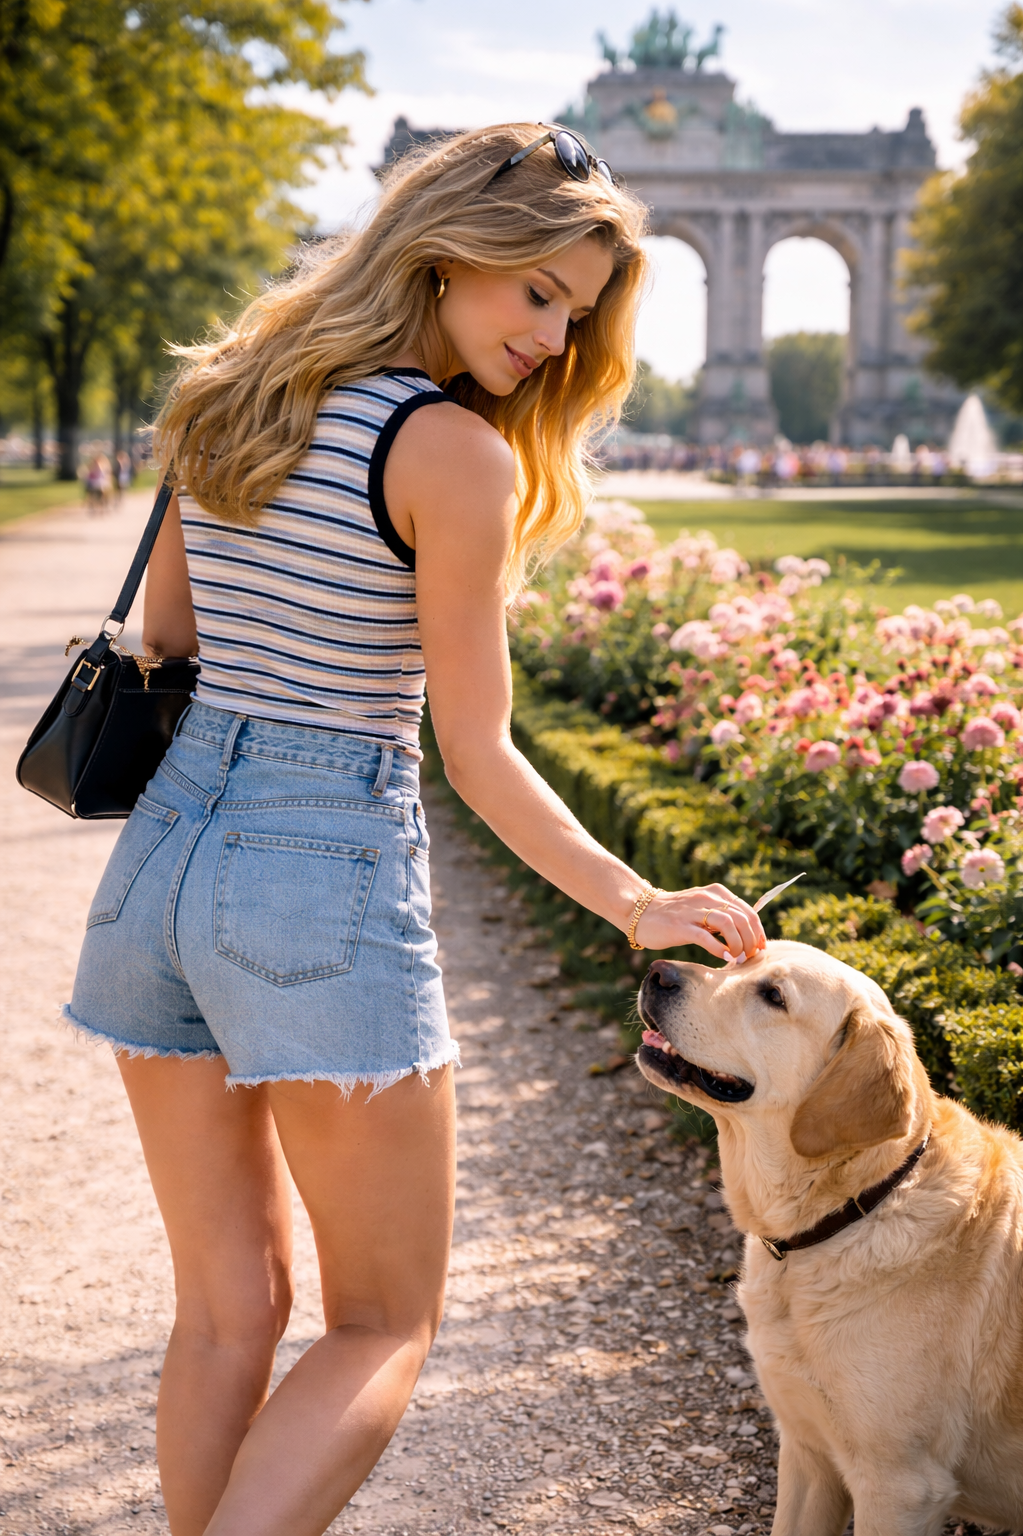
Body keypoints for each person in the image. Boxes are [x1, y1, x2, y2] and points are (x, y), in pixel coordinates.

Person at [63, 123, 767, 1536]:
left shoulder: (228, 394)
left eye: (576, 314)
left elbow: (171, 646)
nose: (555, 340)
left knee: (227, 1310)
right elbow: (476, 753)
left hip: (157, 871)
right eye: (539, 293)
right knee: (384, 1322)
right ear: (450, 253)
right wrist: (636, 903)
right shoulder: (450, 452)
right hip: (317, 874)